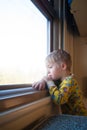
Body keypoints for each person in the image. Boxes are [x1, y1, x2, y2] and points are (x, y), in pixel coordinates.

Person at [32, 49, 87, 116]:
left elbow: (59, 99)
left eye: (50, 67)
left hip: (80, 118)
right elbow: (49, 80)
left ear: (63, 66)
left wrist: (49, 82)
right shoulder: (61, 81)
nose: (48, 72)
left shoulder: (70, 81)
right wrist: (43, 80)